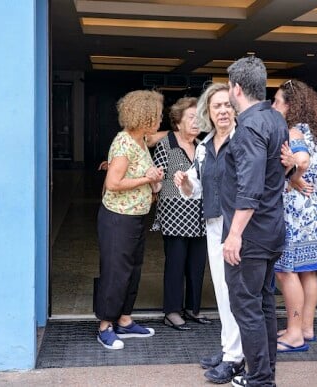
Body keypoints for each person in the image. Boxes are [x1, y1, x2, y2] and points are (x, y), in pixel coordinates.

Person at [221, 56, 288, 387]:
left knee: (246, 307)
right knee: (262, 306)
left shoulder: (248, 126)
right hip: (272, 227)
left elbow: (250, 186)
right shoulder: (275, 119)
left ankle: (260, 379)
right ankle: (265, 376)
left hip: (251, 234)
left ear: (236, 88)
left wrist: (234, 234)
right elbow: (281, 168)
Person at [174, 83, 245, 384]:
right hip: (214, 226)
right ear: (208, 112)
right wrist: (185, 183)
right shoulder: (204, 148)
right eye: (217, 106)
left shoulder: (243, 142)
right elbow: (195, 189)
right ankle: (230, 348)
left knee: (237, 294)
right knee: (222, 292)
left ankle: (236, 357)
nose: (223, 110)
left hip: (239, 228)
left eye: (228, 105)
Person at [95, 90, 164, 350]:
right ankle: (105, 326)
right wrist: (147, 179)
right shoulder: (124, 143)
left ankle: (124, 320)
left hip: (135, 216)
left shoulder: (141, 140)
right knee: (115, 272)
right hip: (118, 219)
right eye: (156, 115)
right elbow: (113, 183)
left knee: (132, 270)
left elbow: (159, 137)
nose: (159, 119)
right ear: (144, 117)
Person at [270, 79, 317, 353]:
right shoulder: (316, 133)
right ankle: (306, 327)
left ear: (290, 106)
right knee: (308, 273)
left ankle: (294, 333)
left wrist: (293, 175)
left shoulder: (293, 131)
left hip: (296, 214)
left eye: (277, 101)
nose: (273, 106)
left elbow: (302, 161)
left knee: (286, 272)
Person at [152, 97, 210, 331]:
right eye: (191, 118)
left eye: (199, 118)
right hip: (174, 216)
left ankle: (192, 309)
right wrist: (154, 183)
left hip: (200, 216)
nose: (196, 123)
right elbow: (156, 181)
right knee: (175, 265)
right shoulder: (166, 144)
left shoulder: (202, 146)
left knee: (197, 265)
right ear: (177, 122)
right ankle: (172, 311)